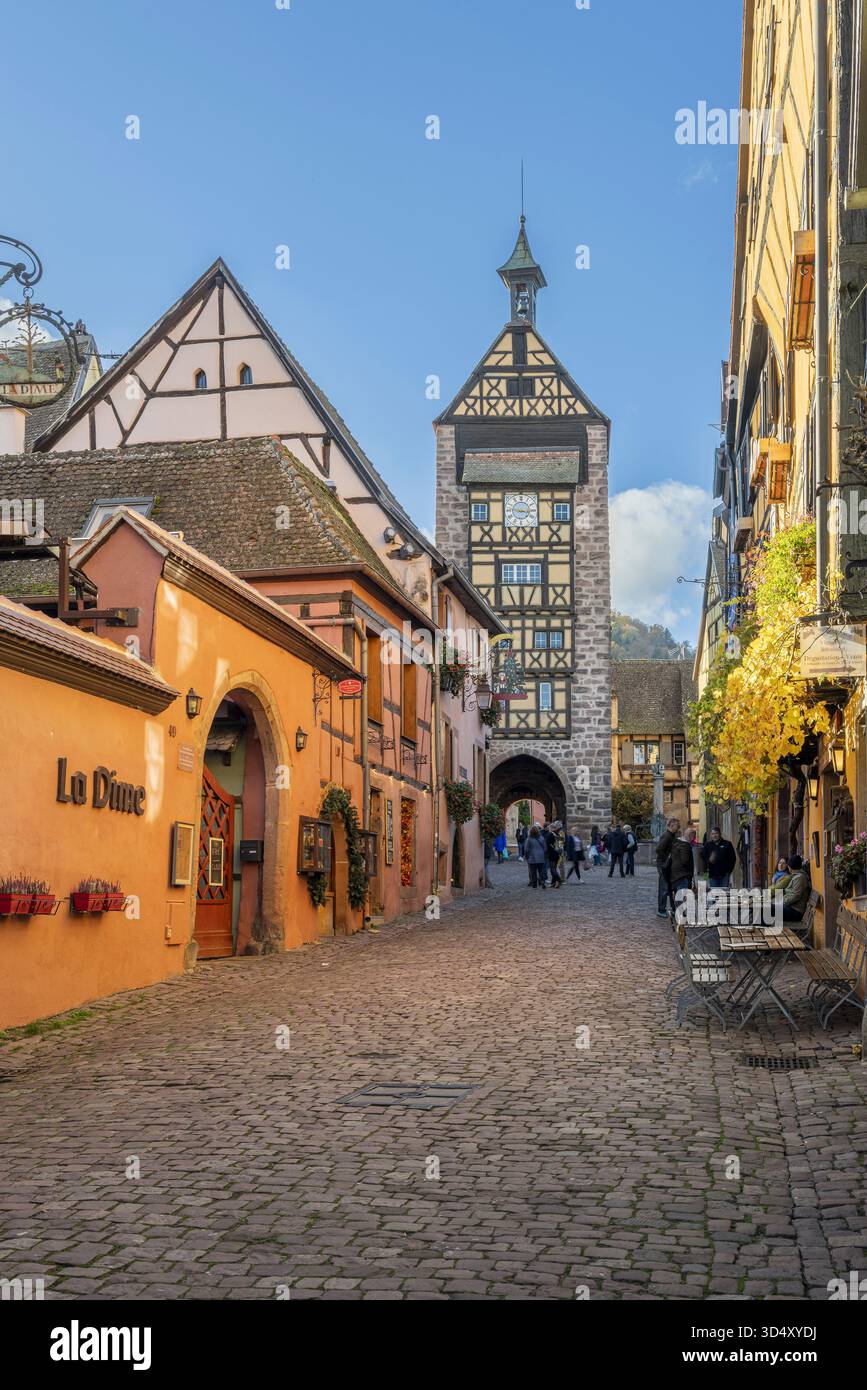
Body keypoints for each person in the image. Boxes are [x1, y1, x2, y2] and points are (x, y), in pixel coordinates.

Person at [655, 817, 680, 918]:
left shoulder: (672, 835)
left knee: (670, 887)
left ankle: (673, 909)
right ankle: (661, 909)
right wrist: (667, 859)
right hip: (663, 865)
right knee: (664, 887)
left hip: (667, 864)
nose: (678, 827)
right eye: (677, 826)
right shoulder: (667, 836)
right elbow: (659, 849)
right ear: (672, 825)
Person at [782, 855, 811, 922]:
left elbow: (795, 896)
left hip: (795, 911)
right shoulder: (797, 876)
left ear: (789, 867)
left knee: (766, 910)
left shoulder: (799, 878)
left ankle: (763, 931)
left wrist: (783, 902)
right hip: (791, 908)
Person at [545, 821, 564, 888]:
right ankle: (553, 883)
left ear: (552, 828)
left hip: (552, 853)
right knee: (554, 868)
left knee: (552, 869)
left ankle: (559, 880)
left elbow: (547, 845)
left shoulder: (550, 835)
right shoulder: (558, 834)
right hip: (558, 853)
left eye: (549, 827)